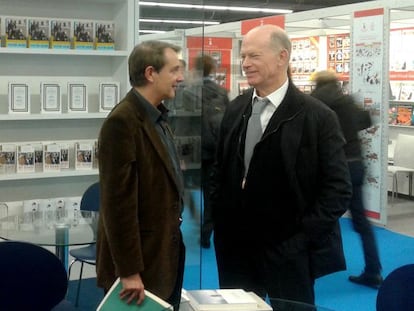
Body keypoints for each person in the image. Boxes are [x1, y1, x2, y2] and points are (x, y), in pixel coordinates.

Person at [209, 24, 352, 307]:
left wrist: (299, 241)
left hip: (289, 254)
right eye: (243, 56)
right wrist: (220, 220)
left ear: (282, 57)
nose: (245, 63)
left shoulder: (317, 117)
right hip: (236, 251)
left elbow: (337, 190)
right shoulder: (236, 109)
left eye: (254, 56)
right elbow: (219, 170)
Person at [96, 40, 186, 310]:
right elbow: (117, 205)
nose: (180, 78)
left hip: (162, 256)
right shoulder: (122, 122)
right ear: (150, 73)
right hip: (139, 266)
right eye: (174, 70)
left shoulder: (158, 118)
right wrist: (129, 271)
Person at [311, 70, 383, 289]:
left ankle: (309, 270)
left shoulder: (314, 103)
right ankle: (373, 271)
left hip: (330, 168)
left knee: (317, 217)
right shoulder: (347, 101)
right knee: (361, 221)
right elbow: (367, 120)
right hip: (354, 165)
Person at [183, 54, 229, 248]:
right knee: (210, 194)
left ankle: (191, 219)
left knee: (184, 189)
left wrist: (182, 154)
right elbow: (228, 123)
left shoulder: (188, 92)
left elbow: (183, 124)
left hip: (194, 151)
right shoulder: (221, 92)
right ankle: (206, 230)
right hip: (215, 150)